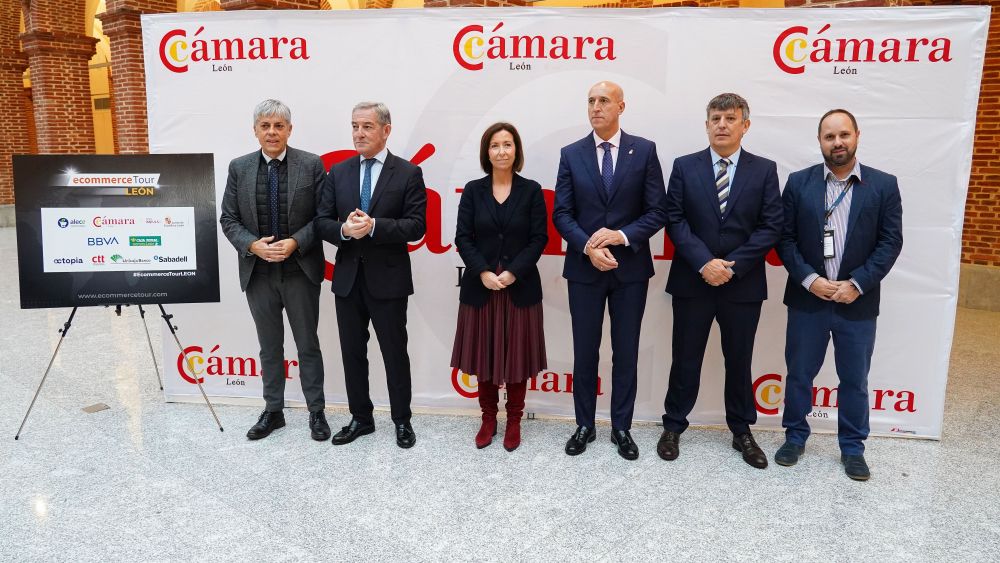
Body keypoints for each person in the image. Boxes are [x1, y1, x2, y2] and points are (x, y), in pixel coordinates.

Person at [775, 109, 903, 481]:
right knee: (799, 375)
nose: (837, 142)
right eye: (829, 136)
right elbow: (785, 239)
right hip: (808, 300)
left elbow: (890, 242)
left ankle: (853, 447)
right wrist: (810, 280)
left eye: (844, 134)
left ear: (857, 135)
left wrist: (857, 283)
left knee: (854, 379)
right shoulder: (799, 183)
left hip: (857, 303)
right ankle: (794, 437)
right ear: (820, 141)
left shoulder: (883, 185)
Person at [658, 93, 782, 469]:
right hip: (693, 281)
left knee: (739, 360)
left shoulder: (764, 170)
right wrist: (704, 263)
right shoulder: (685, 166)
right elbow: (675, 219)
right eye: (716, 118)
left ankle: (741, 431)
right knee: (685, 358)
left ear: (745, 125)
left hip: (742, 284)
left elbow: (770, 225)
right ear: (707, 124)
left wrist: (732, 266)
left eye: (730, 118)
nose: (722, 125)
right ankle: (673, 426)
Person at [552, 81, 668, 460]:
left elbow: (657, 211)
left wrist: (620, 236)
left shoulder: (644, 150)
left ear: (621, 106)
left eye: (604, 100)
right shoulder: (571, 154)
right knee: (585, 351)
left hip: (629, 270)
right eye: (591, 101)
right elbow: (562, 214)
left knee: (626, 351)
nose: (596, 107)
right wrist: (588, 246)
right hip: (584, 270)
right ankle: (584, 425)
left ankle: (621, 427)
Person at [315, 102, 427, 449]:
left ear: (386, 130)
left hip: (388, 280)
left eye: (367, 126)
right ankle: (361, 418)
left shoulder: (407, 173)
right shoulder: (339, 172)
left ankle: (402, 420)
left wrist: (375, 226)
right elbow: (321, 222)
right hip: (348, 280)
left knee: (394, 353)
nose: (359, 133)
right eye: (354, 126)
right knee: (352, 353)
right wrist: (345, 231)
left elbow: (416, 226)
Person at [219, 99, 329, 441]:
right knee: (269, 347)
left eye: (278, 126)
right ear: (255, 130)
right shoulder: (239, 167)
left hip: (300, 271)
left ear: (289, 130)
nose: (271, 132)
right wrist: (253, 245)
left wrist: (296, 241)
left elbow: (323, 217)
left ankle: (316, 411)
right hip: (258, 273)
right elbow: (228, 218)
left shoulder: (311, 164)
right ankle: (273, 411)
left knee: (307, 345)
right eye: (265, 126)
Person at [451, 122, 548, 452]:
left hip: (519, 288)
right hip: (482, 289)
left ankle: (515, 421)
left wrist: (514, 272)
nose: (502, 151)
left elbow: (539, 238)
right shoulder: (473, 190)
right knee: (484, 357)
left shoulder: (531, 191)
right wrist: (481, 271)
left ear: (516, 150)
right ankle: (488, 419)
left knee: (517, 358)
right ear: (487, 152)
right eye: (495, 145)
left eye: (507, 144)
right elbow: (463, 237)